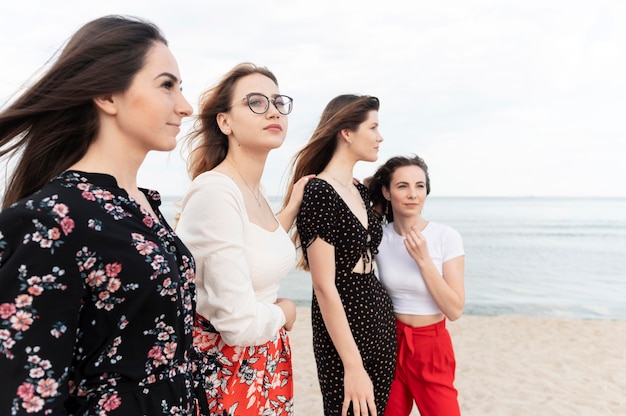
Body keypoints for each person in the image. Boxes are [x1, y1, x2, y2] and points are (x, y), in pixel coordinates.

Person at [0, 16, 201, 415]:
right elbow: (27, 397)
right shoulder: (50, 221)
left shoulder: (144, 206)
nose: (186, 106)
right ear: (108, 96)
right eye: (166, 85)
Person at [175, 62, 312, 416]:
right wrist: (285, 311)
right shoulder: (217, 192)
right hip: (227, 370)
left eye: (278, 102)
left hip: (261, 364)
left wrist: (293, 204)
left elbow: (257, 244)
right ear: (225, 122)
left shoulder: (255, 190)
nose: (273, 111)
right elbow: (237, 324)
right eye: (255, 102)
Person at [284, 94, 396, 416]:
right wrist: (353, 365)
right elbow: (323, 286)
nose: (380, 136)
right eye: (373, 128)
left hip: (379, 320)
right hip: (345, 329)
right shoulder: (320, 193)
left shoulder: (360, 191)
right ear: (346, 132)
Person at [367, 155, 465, 416]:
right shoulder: (378, 237)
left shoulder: (446, 237)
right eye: (402, 186)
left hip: (431, 347)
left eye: (419, 186)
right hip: (389, 343)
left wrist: (423, 260)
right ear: (387, 192)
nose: (413, 194)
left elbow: (454, 310)